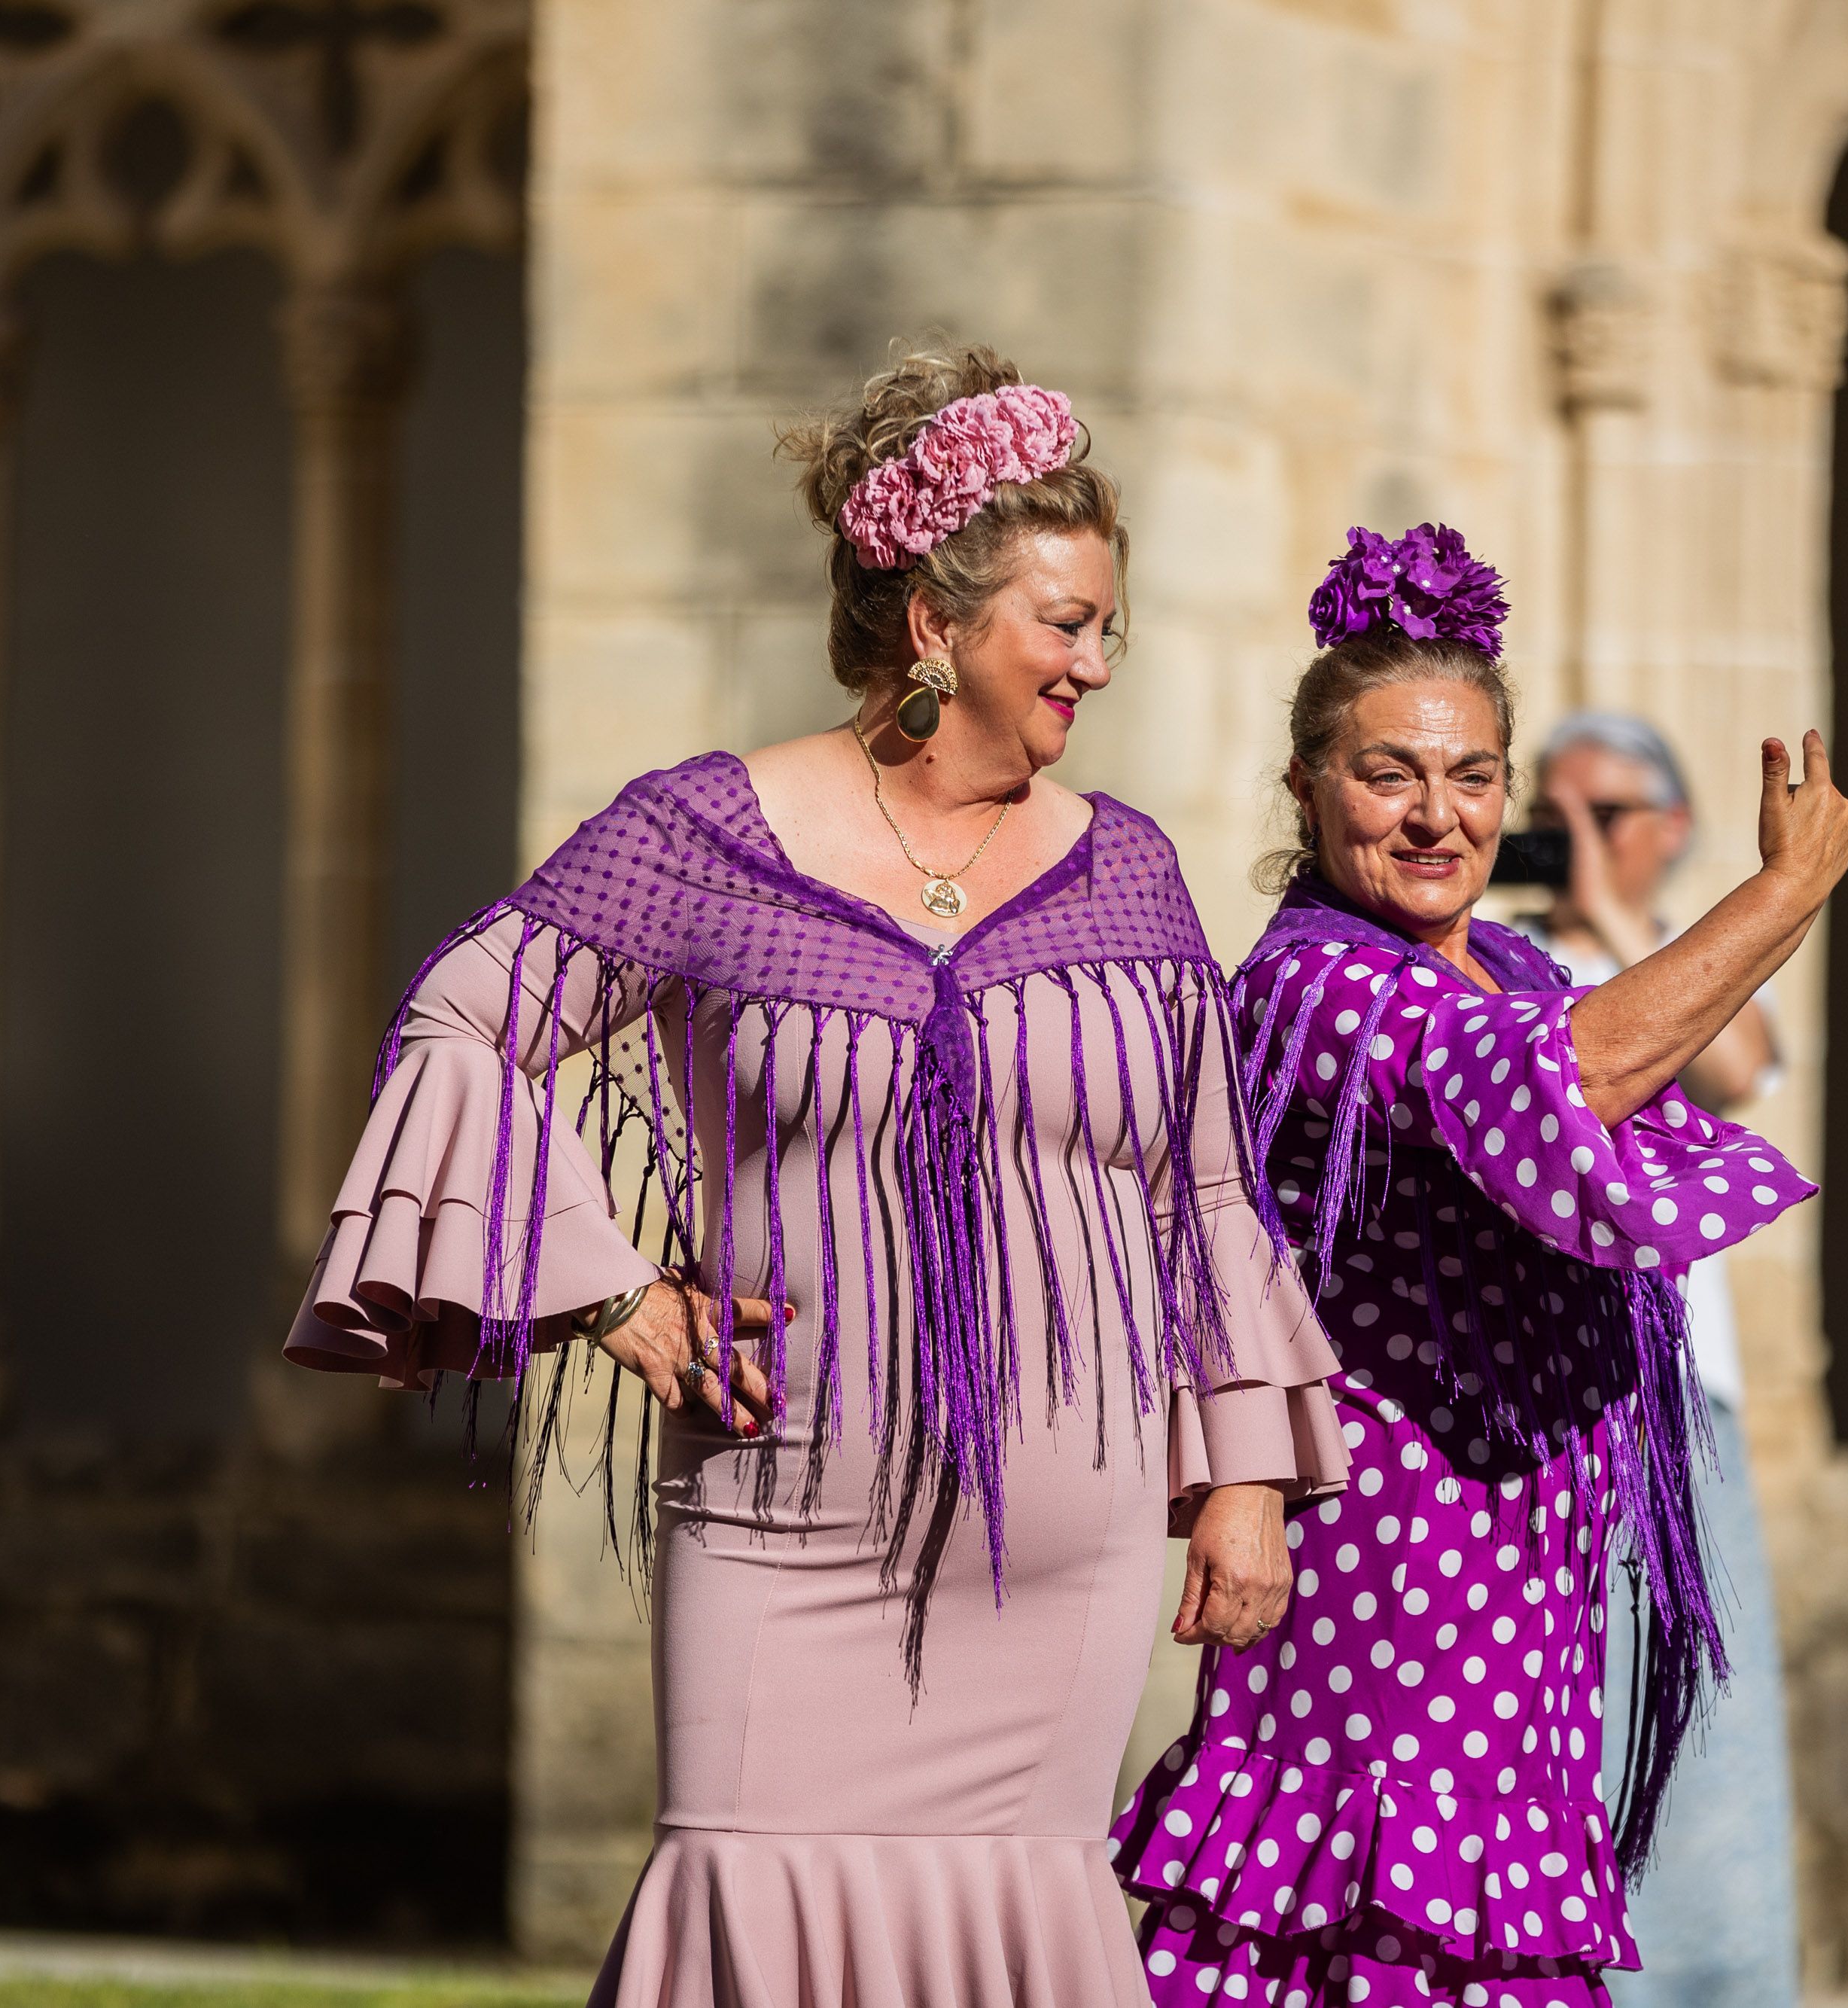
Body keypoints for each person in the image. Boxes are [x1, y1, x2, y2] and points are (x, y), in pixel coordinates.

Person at [282, 345, 1347, 2007]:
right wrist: (619, 1295)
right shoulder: (703, 837)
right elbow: (460, 1019)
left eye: (1107, 626)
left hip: (1060, 1559)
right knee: (743, 1883)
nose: (1096, 662)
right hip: (783, 1526)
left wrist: (1242, 1480)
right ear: (935, 625)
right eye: (1065, 623)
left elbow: (1201, 1192)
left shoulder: (1129, 869)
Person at [1112, 524, 1848, 2006]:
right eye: (1386, 772)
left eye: (1469, 775)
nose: (1434, 814)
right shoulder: (1318, 977)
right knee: (1372, 1912)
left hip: (1523, 1559)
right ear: (1305, 787)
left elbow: (1643, 1079)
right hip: (1391, 1549)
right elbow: (1559, 1079)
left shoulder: (1517, 964)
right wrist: (1781, 894)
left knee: (1485, 1913)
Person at [1521, 714, 1799, 2008]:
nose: (1568, 836)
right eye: (1548, 811)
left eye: (1603, 815)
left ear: (1671, 830)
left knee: (1699, 1714)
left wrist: (1613, 917)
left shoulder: (1680, 956)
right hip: (1546, 1396)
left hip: (1676, 1398)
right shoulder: (1501, 962)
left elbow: (1739, 1068)